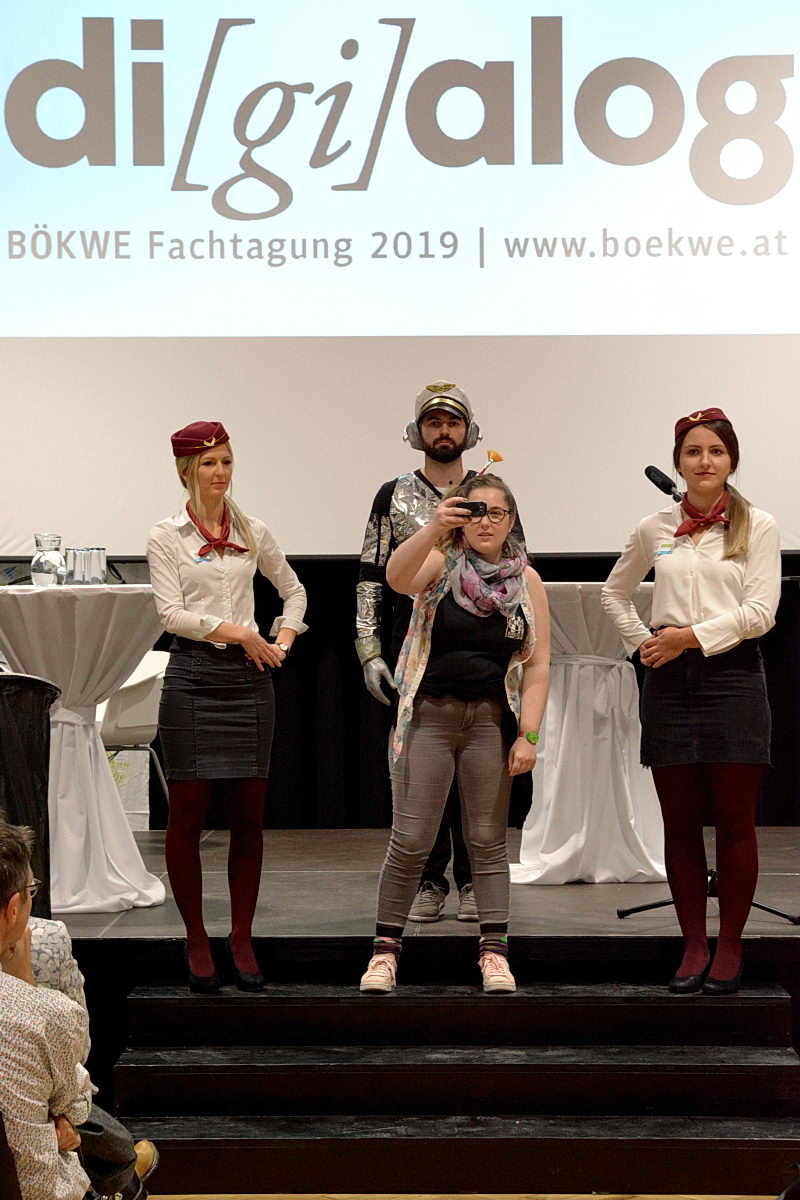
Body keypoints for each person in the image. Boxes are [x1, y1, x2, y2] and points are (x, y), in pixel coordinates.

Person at [602, 409, 781, 995]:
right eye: (693, 452)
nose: (705, 461)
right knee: (679, 823)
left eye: (716, 451)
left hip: (734, 677)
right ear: (678, 462)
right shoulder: (654, 527)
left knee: (734, 821)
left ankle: (729, 945)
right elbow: (614, 593)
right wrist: (645, 644)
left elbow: (760, 614)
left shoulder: (758, 525)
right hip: (670, 682)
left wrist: (689, 638)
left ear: (732, 460)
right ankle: (694, 944)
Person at [360, 474, 550, 994]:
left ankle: (494, 954)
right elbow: (397, 579)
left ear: (511, 521)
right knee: (411, 840)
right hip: (430, 716)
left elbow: (537, 665)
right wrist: (433, 528)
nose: (485, 522)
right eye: (474, 512)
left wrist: (529, 736)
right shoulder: (440, 564)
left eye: (496, 513)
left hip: (489, 722)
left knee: (488, 842)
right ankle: (384, 953)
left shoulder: (527, 582)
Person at [147, 421, 307, 993]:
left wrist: (282, 639)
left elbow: (294, 590)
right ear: (186, 471)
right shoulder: (165, 535)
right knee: (187, 811)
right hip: (192, 677)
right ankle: (196, 938)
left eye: (227, 461)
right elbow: (171, 615)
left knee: (248, 815)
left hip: (248, 683)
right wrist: (240, 632)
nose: (221, 472)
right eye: (209, 463)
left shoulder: (252, 529)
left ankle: (241, 936)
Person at [357, 381, 523, 923]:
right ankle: (429, 881)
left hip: (482, 650)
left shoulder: (489, 492)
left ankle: (474, 881)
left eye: (453, 422)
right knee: (421, 777)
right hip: (415, 650)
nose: (443, 431)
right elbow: (371, 575)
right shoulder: (393, 494)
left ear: (470, 432)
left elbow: (515, 563)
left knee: (480, 778)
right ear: (417, 432)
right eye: (434, 422)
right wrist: (369, 649)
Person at [0, 815, 157, 1200]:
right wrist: (26, 984)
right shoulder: (40, 1010)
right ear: (14, 908)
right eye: (31, 890)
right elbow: (75, 1100)